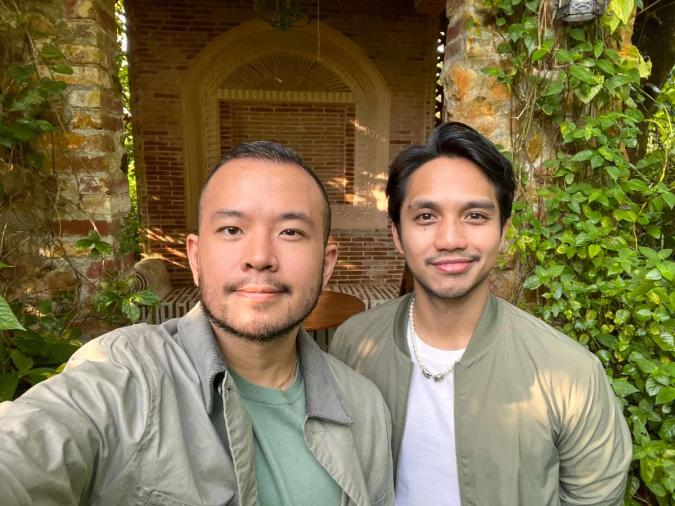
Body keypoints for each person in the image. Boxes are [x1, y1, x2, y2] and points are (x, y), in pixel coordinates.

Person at [0, 141, 394, 506]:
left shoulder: (364, 405)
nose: (259, 257)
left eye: (290, 232)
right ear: (196, 257)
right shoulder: (127, 374)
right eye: (232, 230)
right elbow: (30, 447)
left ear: (326, 265)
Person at [330, 122, 632, 505]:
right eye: (425, 216)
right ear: (396, 234)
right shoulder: (353, 344)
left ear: (503, 231)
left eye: (475, 216)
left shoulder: (570, 374)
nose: (451, 239)